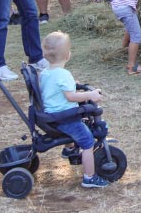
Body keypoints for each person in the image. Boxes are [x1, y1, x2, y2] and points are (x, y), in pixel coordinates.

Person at [38, 32, 109, 188]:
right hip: (64, 118)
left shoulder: (45, 72)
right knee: (88, 142)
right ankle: (90, 178)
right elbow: (70, 97)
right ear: (67, 55)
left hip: (51, 116)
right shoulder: (64, 74)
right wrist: (89, 94)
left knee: (75, 126)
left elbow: (56, 89)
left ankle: (69, 150)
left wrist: (72, 84)